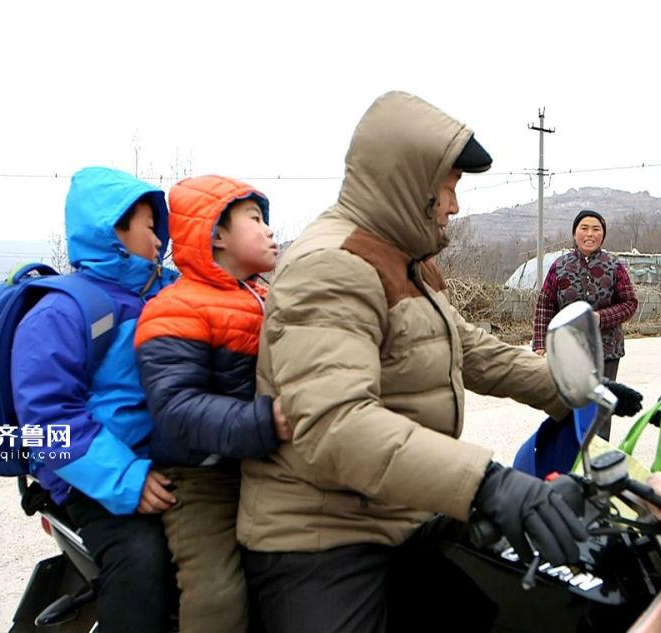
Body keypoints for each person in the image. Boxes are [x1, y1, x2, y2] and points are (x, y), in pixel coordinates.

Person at [237, 91, 587, 633]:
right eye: (449, 186)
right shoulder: (330, 266)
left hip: (402, 510)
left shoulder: (406, 259)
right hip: (323, 535)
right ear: (411, 182)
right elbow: (338, 425)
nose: (455, 205)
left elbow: (467, 347)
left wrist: (571, 387)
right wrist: (488, 483)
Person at [11, 167, 178, 632]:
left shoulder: (166, 293)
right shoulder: (62, 311)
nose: (159, 239)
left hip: (165, 461)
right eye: (150, 227)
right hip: (95, 478)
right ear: (114, 230)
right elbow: (46, 423)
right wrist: (125, 477)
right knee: (143, 561)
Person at [134, 175, 290, 633]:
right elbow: (176, 406)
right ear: (216, 234)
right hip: (201, 477)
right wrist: (264, 421)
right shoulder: (175, 308)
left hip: (264, 464)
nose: (269, 230)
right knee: (218, 594)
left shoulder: (270, 298)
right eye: (255, 219)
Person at [531, 210, 638, 439]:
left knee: (601, 406)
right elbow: (545, 305)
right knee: (567, 406)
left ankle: (598, 453)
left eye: (596, 229)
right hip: (568, 350)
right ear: (575, 233)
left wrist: (600, 317)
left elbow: (630, 303)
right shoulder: (560, 266)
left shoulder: (614, 266)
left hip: (606, 350)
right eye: (584, 228)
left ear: (602, 235)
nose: (590, 234)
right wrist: (540, 343)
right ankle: (571, 453)